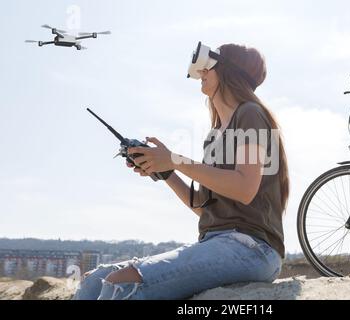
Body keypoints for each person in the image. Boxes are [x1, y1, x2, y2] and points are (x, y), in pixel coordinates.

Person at [73, 42, 290, 300]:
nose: (202, 72)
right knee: (94, 281)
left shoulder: (250, 114)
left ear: (229, 72)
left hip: (252, 249)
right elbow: (203, 206)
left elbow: (244, 188)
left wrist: (174, 160)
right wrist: (165, 172)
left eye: (209, 66)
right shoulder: (214, 137)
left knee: (123, 282)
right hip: (216, 242)